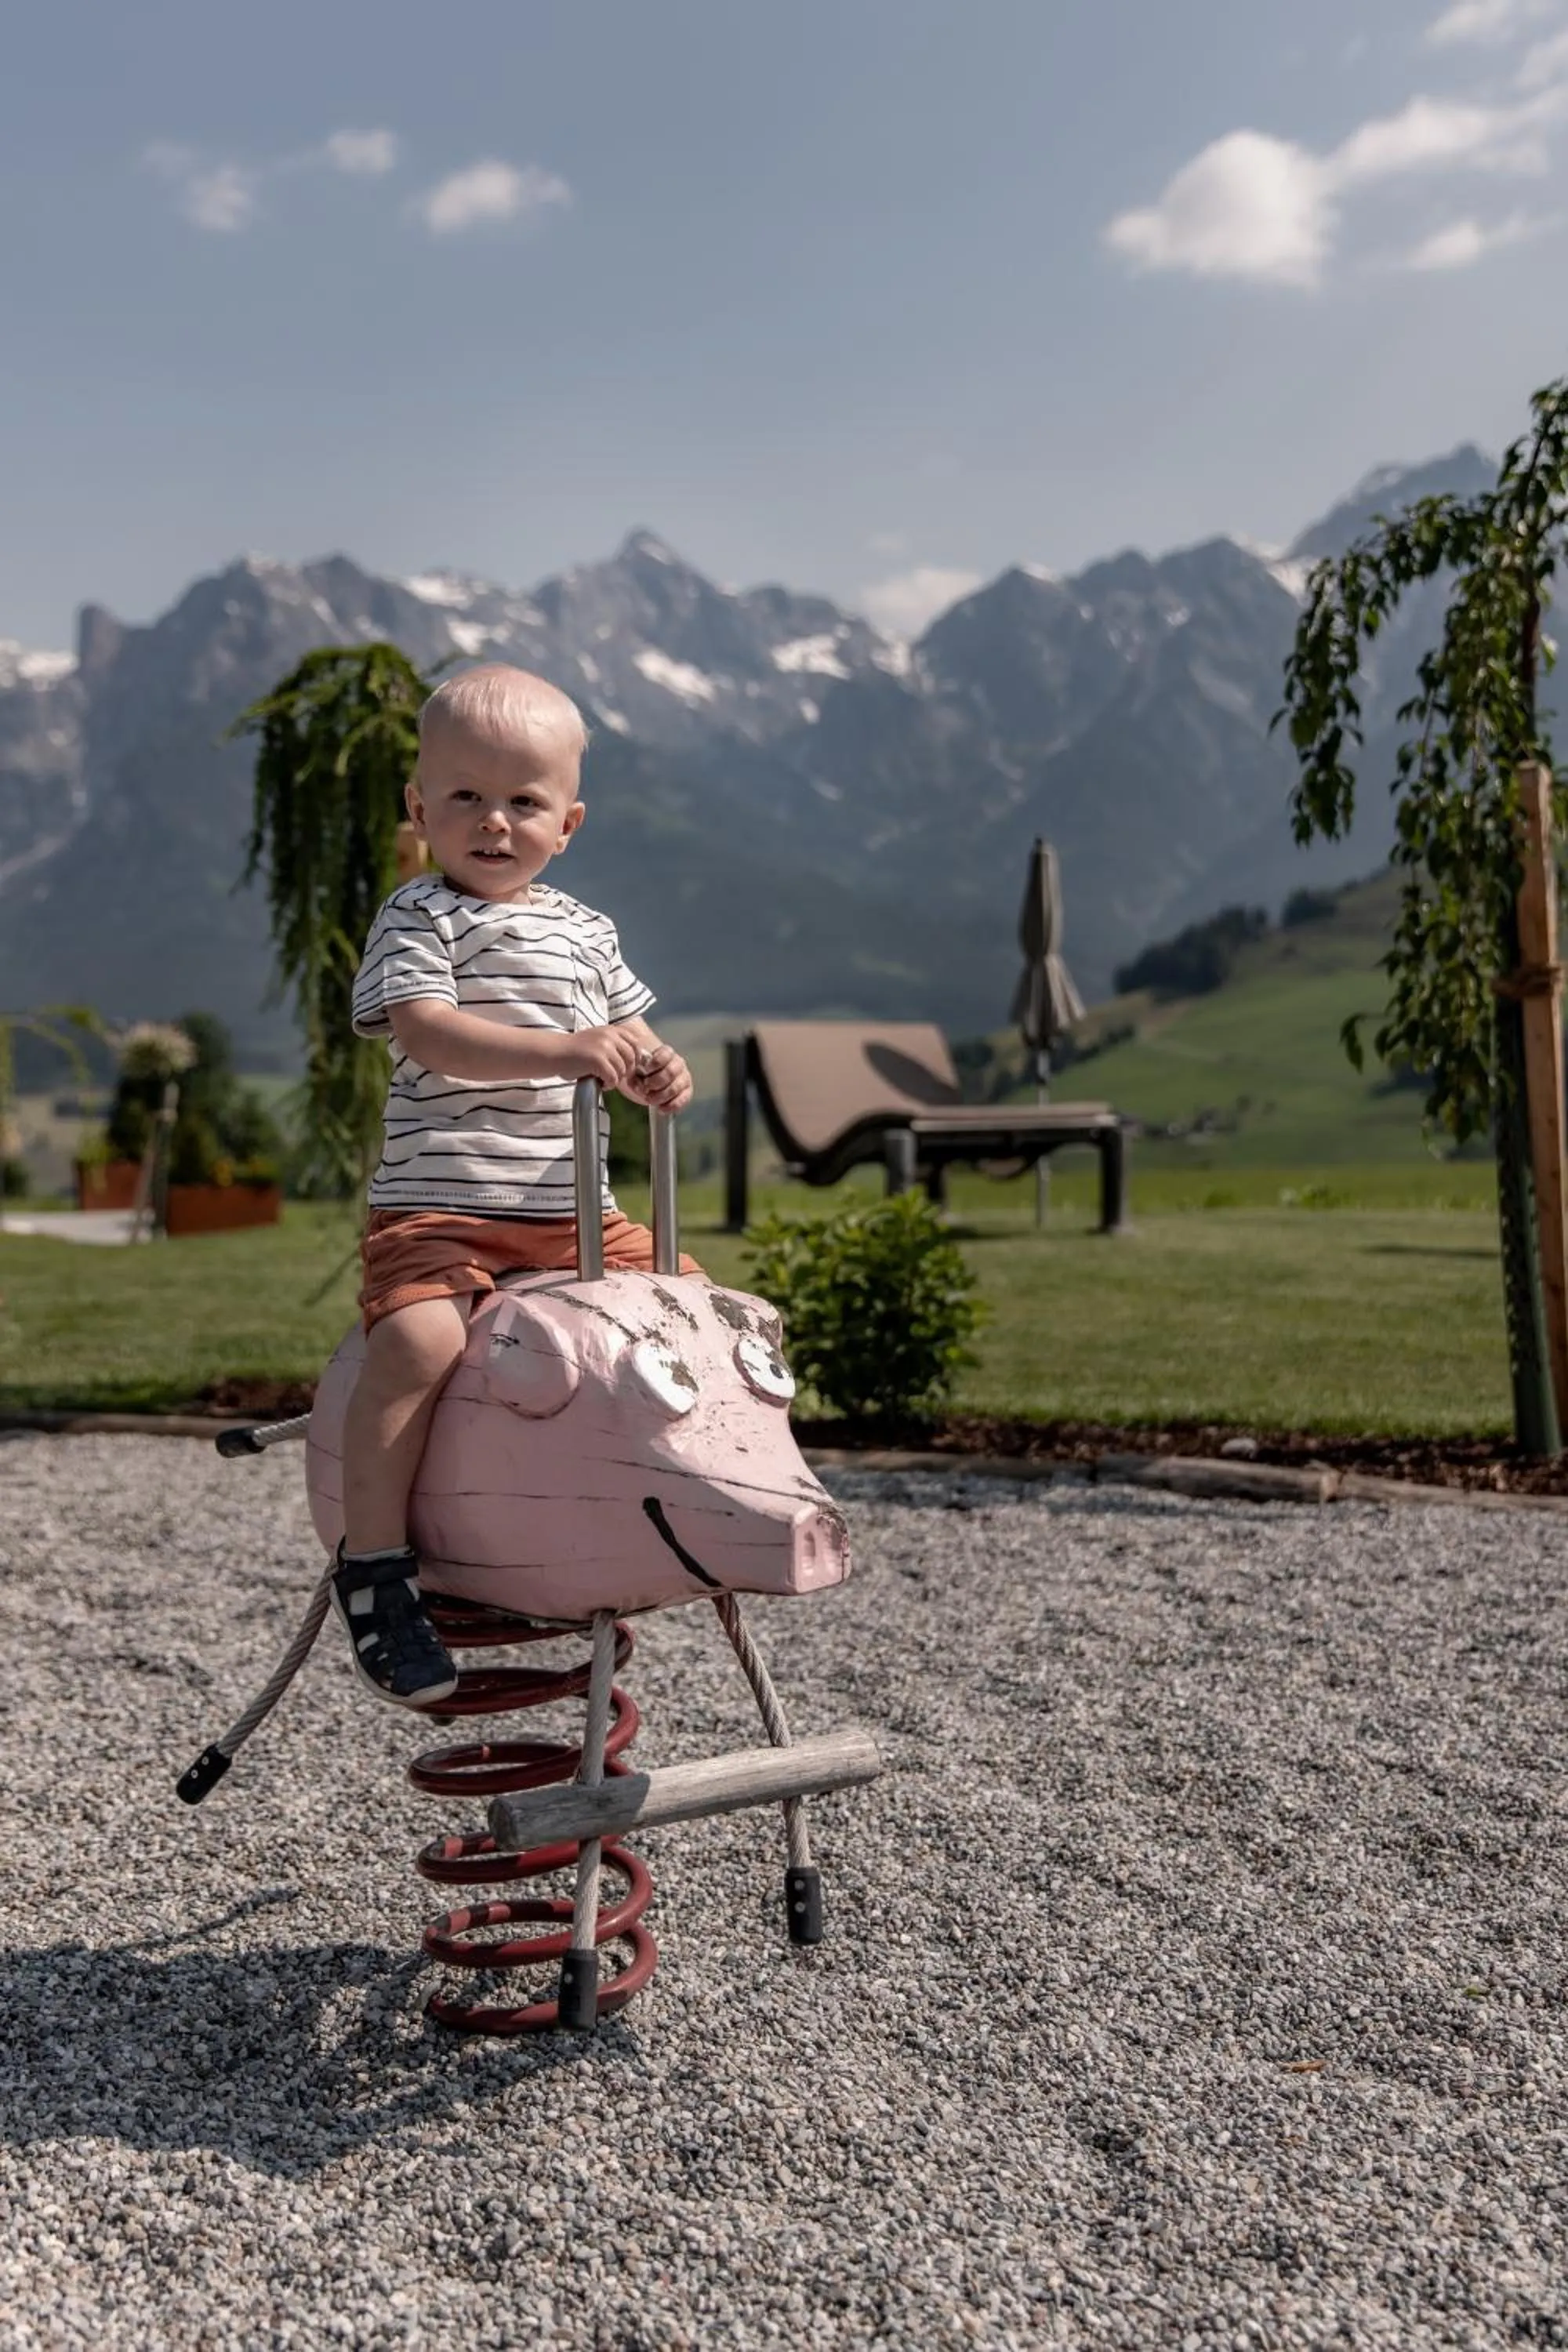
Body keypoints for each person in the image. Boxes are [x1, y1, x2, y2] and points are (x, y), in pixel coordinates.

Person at [334, 662, 695, 1708]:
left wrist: (658, 1068)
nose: (495, 822)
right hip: (441, 1211)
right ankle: (375, 1568)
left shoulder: (588, 931)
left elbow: (630, 1037)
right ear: (420, 810)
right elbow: (431, 1036)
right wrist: (569, 1050)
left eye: (524, 802)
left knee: (695, 1313)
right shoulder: (419, 917)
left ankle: (666, 1503)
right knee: (418, 1344)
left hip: (573, 1212)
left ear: (567, 823)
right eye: (466, 796)